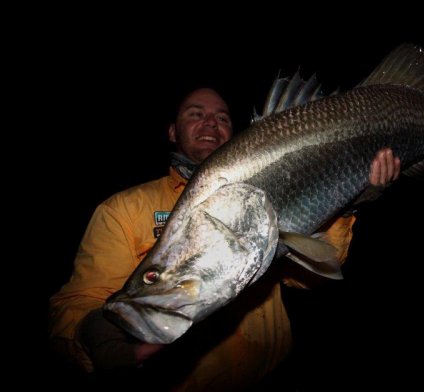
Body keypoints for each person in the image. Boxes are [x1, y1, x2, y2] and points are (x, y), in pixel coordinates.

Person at [49, 87, 400, 390]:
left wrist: (352, 198)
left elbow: (313, 272)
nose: (210, 124)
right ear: (172, 131)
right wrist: (94, 337)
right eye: (195, 114)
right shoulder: (123, 209)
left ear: (234, 136)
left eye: (222, 118)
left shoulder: (263, 180)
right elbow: (78, 301)